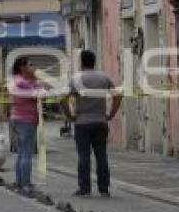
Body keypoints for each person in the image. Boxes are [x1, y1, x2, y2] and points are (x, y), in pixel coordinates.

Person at [61, 49, 122, 198]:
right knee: (101, 155)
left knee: (84, 156)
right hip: (100, 121)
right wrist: (111, 114)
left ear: (81, 62)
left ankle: (85, 188)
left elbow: (62, 98)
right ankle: (104, 188)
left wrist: (70, 116)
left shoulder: (76, 79)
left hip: (82, 122)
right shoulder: (104, 78)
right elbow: (118, 96)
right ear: (94, 61)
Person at [9, 57, 46, 195]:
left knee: (21, 152)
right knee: (26, 153)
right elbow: (39, 94)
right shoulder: (22, 83)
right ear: (21, 67)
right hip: (26, 120)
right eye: (30, 65)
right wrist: (37, 81)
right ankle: (25, 183)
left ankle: (20, 181)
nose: (33, 67)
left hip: (17, 118)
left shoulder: (16, 80)